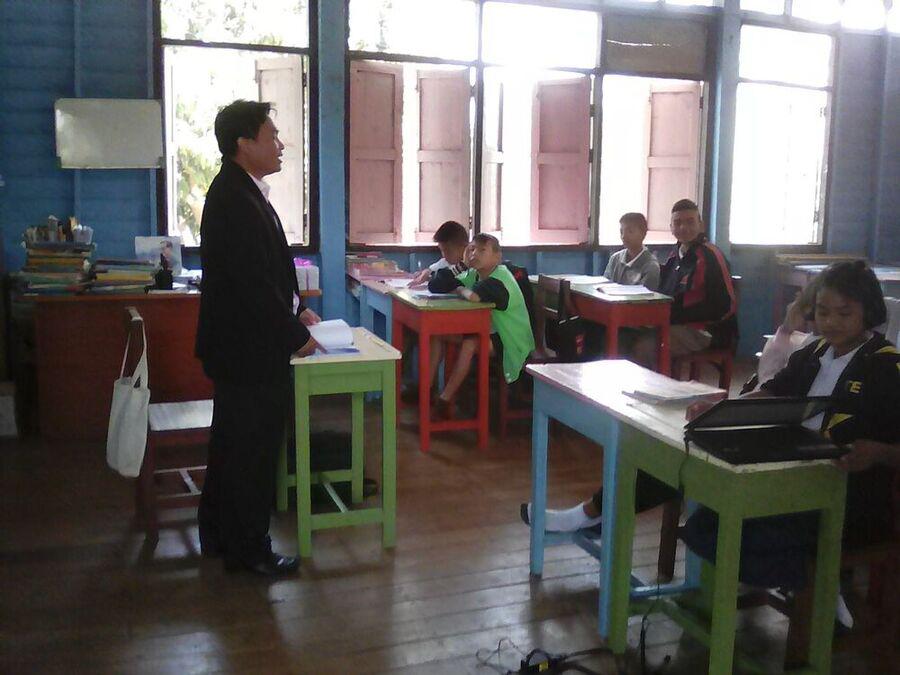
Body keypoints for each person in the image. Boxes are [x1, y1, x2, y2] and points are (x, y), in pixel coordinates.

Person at [680, 261, 900, 592]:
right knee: (703, 526)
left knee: (730, 534)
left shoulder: (885, 367)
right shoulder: (814, 352)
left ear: (868, 312)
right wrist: (721, 409)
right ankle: (813, 584)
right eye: (823, 312)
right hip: (792, 481)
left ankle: (818, 587)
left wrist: (877, 453)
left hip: (850, 500)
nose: (831, 322)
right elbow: (772, 391)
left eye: (844, 313)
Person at [195, 100, 320, 576]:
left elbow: (268, 273)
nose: (281, 144)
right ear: (244, 144)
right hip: (249, 351)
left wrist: (298, 308)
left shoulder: (243, 191)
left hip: (242, 347)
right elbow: (250, 285)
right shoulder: (234, 198)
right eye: (272, 136)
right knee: (251, 450)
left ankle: (219, 535)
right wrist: (293, 334)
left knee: (232, 444)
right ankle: (248, 550)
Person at [427, 234, 535, 419]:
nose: (475, 254)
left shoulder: (500, 279)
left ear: (497, 257)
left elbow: (474, 297)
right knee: (438, 334)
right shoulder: (475, 274)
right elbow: (435, 285)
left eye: (482, 250)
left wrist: (459, 289)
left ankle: (444, 400)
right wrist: (462, 265)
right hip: (492, 332)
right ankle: (426, 390)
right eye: (472, 249)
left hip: (512, 340)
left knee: (470, 343)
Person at [633, 199, 737, 368]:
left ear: (701, 225)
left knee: (646, 347)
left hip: (706, 330)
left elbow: (724, 305)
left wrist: (672, 317)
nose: (683, 227)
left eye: (690, 222)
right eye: (678, 223)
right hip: (675, 323)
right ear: (671, 227)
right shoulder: (674, 255)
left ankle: (659, 385)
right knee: (628, 335)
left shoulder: (711, 255)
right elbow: (665, 295)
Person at [604, 212, 660, 290]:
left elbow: (645, 295)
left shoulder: (651, 265)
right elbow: (604, 286)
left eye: (630, 231)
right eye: (621, 232)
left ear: (643, 233)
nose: (624, 236)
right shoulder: (615, 258)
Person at [408, 220, 469, 288]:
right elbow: (430, 270)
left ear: (464, 247)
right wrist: (425, 273)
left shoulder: (472, 267)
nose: (444, 255)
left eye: (447, 251)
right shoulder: (445, 262)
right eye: (441, 250)